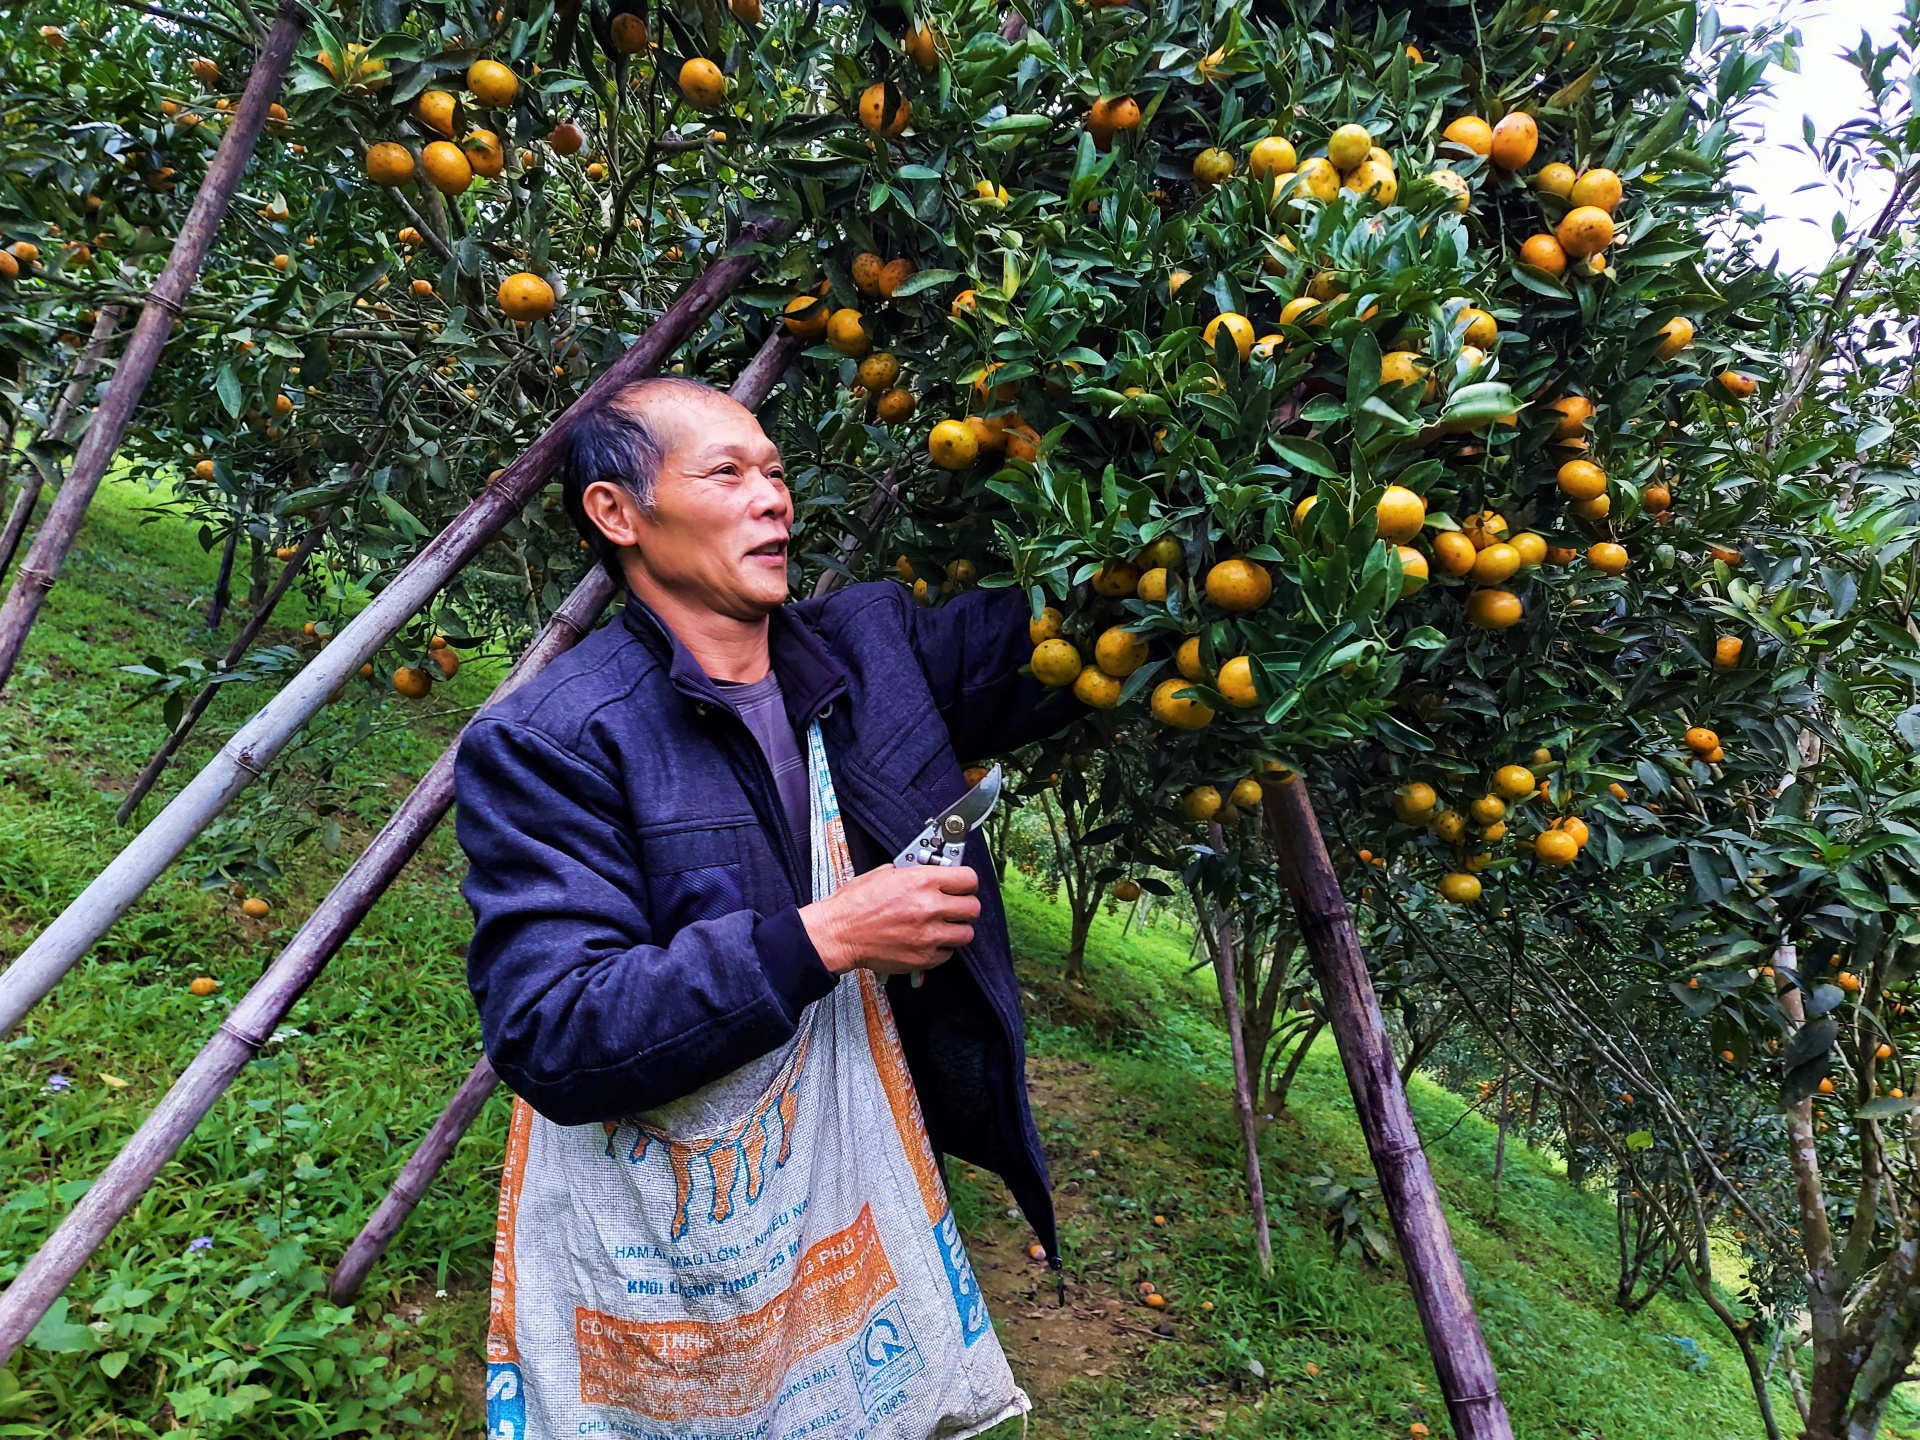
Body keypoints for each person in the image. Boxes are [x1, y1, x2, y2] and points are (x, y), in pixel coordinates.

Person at [455, 375, 1069, 1440]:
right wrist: (827, 936)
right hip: (674, 1229)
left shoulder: (875, 657)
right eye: (729, 473)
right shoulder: (554, 740)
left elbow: (1077, 636)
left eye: (778, 473)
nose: (775, 499)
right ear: (618, 513)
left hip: (847, 1176)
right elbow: (552, 1031)